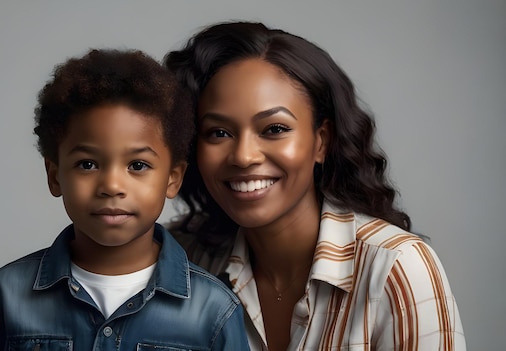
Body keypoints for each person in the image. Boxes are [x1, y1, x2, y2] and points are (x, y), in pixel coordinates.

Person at [165, 21, 466, 350]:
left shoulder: (396, 268)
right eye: (219, 133)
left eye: (275, 129)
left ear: (321, 141)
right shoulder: (181, 259)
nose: (244, 156)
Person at [0, 49, 250, 351]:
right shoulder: (5, 294)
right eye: (88, 164)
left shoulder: (215, 309)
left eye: (137, 165)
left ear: (173, 178)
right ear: (55, 175)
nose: (112, 186)